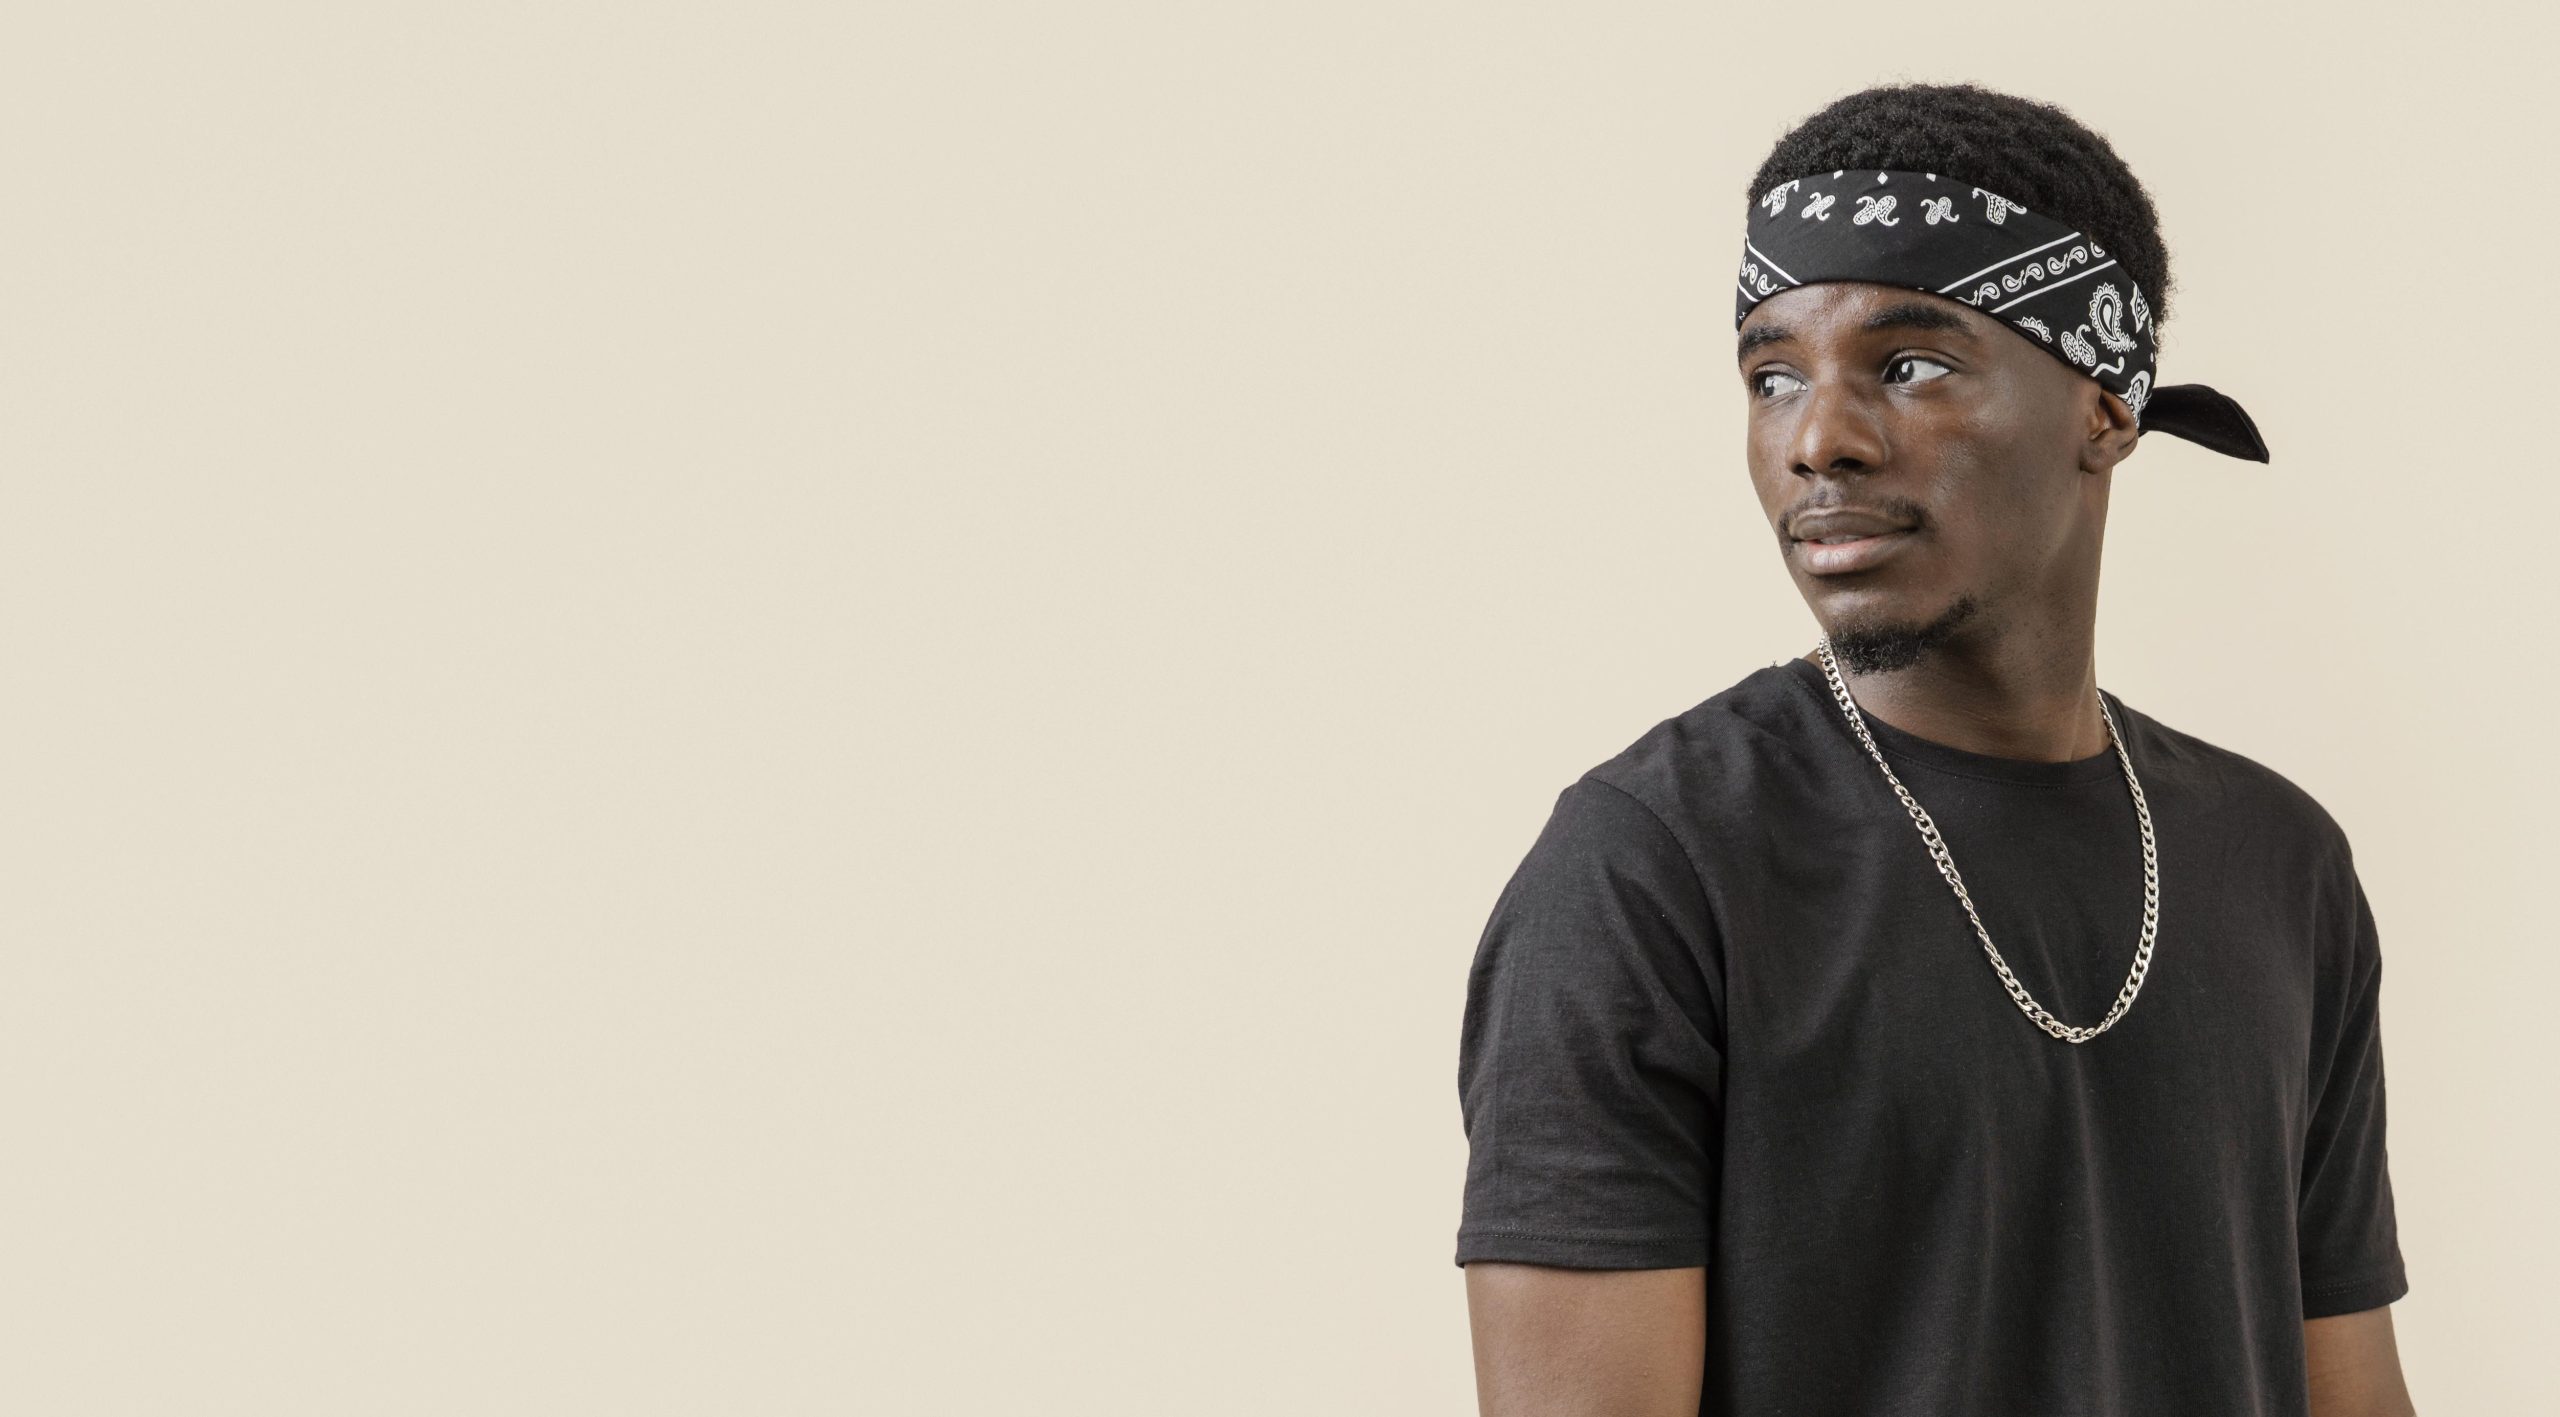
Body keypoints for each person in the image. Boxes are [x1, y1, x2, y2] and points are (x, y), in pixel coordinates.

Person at [1453, 83, 2415, 1417]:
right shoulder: (1648, 872)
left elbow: (2349, 1386)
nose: (1818, 440)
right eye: (1772, 377)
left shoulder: (2278, 862)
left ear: (2106, 409)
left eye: (1909, 366)